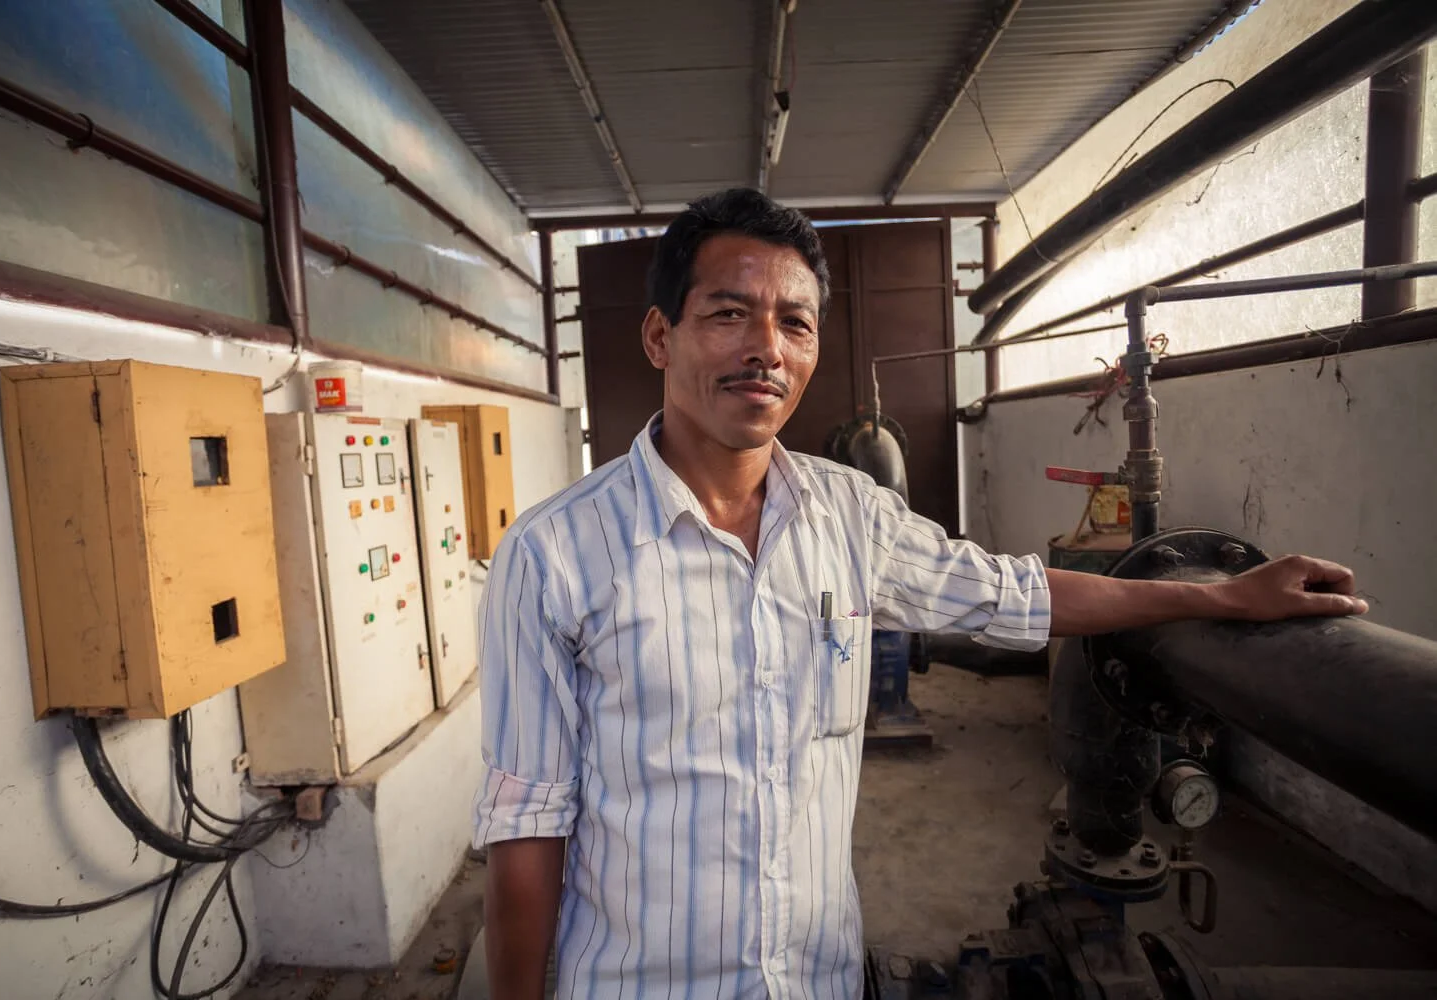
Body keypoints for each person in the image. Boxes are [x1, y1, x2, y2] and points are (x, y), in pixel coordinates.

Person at [470, 188, 1367, 1000]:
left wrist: (1220, 598)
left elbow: (1014, 596)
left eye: (796, 322)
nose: (766, 350)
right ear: (661, 336)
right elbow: (528, 827)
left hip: (818, 978)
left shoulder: (850, 515)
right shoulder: (554, 556)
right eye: (730, 314)